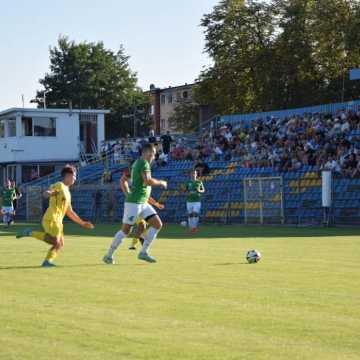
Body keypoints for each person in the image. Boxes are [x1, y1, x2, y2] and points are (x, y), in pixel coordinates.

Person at [16, 165, 94, 267]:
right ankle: (30, 233)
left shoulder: (68, 192)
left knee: (60, 244)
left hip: (58, 221)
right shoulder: (59, 185)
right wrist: (48, 193)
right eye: (74, 176)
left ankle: (47, 261)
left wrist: (82, 223)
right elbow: (50, 192)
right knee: (55, 242)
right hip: (51, 218)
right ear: (68, 175)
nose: (75, 178)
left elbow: (69, 212)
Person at [103, 143, 167, 264]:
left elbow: (126, 181)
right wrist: (161, 182)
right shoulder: (143, 163)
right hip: (135, 203)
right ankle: (108, 255)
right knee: (125, 231)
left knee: (157, 224)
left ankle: (143, 252)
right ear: (145, 152)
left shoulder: (138, 163)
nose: (154, 156)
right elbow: (147, 181)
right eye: (153, 153)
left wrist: (129, 193)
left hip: (142, 202)